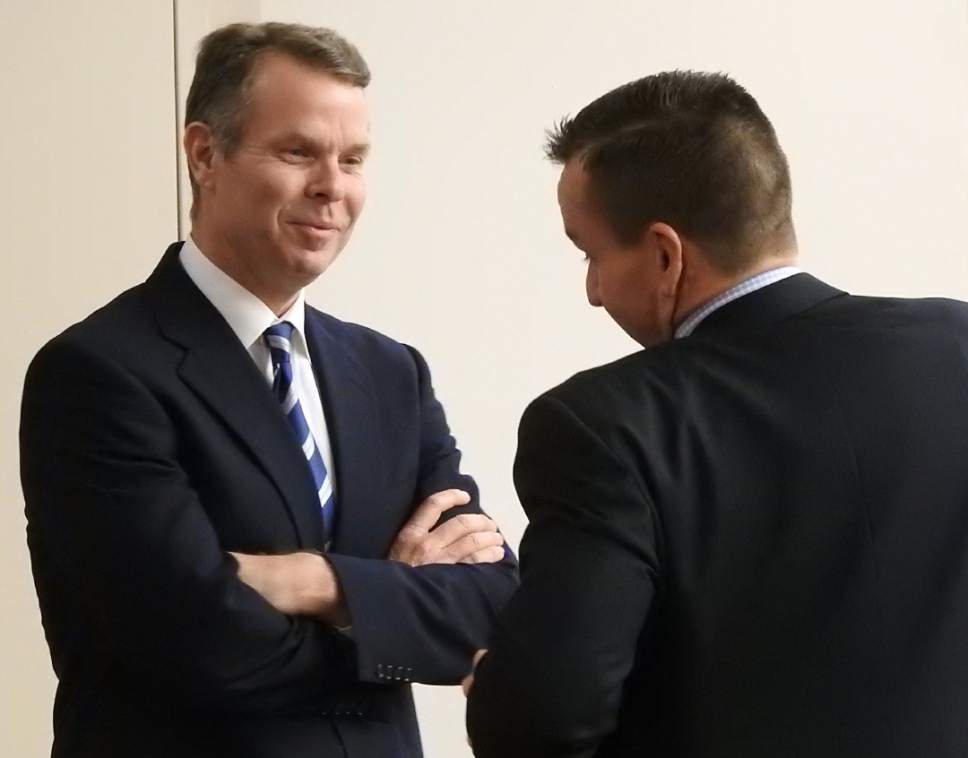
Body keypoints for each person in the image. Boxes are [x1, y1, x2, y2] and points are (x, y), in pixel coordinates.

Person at [20, 22, 517, 758]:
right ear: (204, 154)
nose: (332, 187)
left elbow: (495, 607)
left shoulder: (391, 375)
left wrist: (316, 584)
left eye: (353, 159)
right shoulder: (97, 373)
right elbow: (199, 645)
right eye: (298, 152)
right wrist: (389, 603)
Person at [464, 70, 968, 757]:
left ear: (667, 255)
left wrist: (499, 687)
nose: (592, 290)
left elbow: (544, 721)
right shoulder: (958, 345)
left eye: (591, 254)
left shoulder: (602, 425)